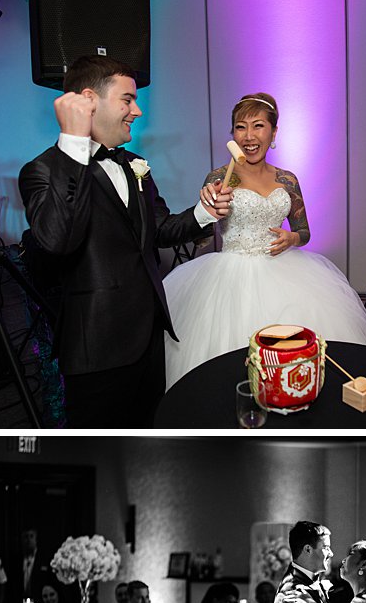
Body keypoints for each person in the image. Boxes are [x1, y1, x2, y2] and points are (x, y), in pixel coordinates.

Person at [19, 54, 230, 427]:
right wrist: (73, 142)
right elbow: (58, 241)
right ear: (89, 100)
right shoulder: (43, 170)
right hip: (97, 346)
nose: (137, 111)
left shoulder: (136, 164)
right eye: (128, 99)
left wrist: (204, 212)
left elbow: (159, 230)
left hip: (149, 335)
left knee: (151, 431)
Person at [163, 92, 366, 387]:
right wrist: (208, 211)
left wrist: (291, 238)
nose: (249, 136)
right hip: (230, 278)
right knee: (227, 367)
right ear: (232, 133)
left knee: (295, 357)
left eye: (258, 126)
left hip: (286, 271)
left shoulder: (287, 180)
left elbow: (304, 232)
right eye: (240, 127)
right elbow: (200, 232)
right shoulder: (219, 177)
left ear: (273, 132)